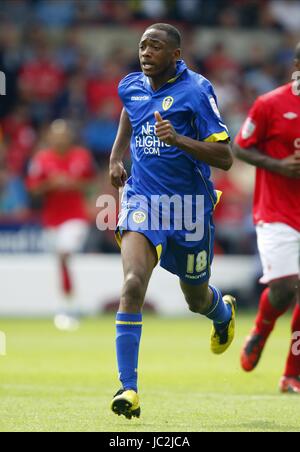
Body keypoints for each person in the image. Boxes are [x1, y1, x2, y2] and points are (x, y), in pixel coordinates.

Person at [109, 23, 236, 419]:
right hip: (143, 201)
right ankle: (128, 388)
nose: (146, 52)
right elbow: (131, 114)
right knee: (132, 286)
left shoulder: (197, 92)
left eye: (156, 46)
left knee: (195, 299)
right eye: (142, 45)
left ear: (176, 55)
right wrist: (116, 157)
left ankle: (222, 313)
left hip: (190, 210)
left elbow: (225, 158)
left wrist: (178, 139)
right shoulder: (131, 84)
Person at [234, 43, 300, 394]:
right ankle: (261, 327)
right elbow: (239, 147)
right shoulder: (270, 104)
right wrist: (278, 165)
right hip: (276, 210)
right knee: (285, 287)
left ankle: (292, 373)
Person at [27, 119, 95, 330]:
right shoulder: (42, 159)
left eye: (63, 135)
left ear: (69, 137)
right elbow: (32, 189)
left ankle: (69, 308)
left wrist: (72, 183)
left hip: (76, 217)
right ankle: (69, 304)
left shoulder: (82, 156)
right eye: (55, 135)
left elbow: (92, 182)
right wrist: (51, 184)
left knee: (64, 254)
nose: (60, 139)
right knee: (62, 261)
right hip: (52, 219)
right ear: (49, 138)